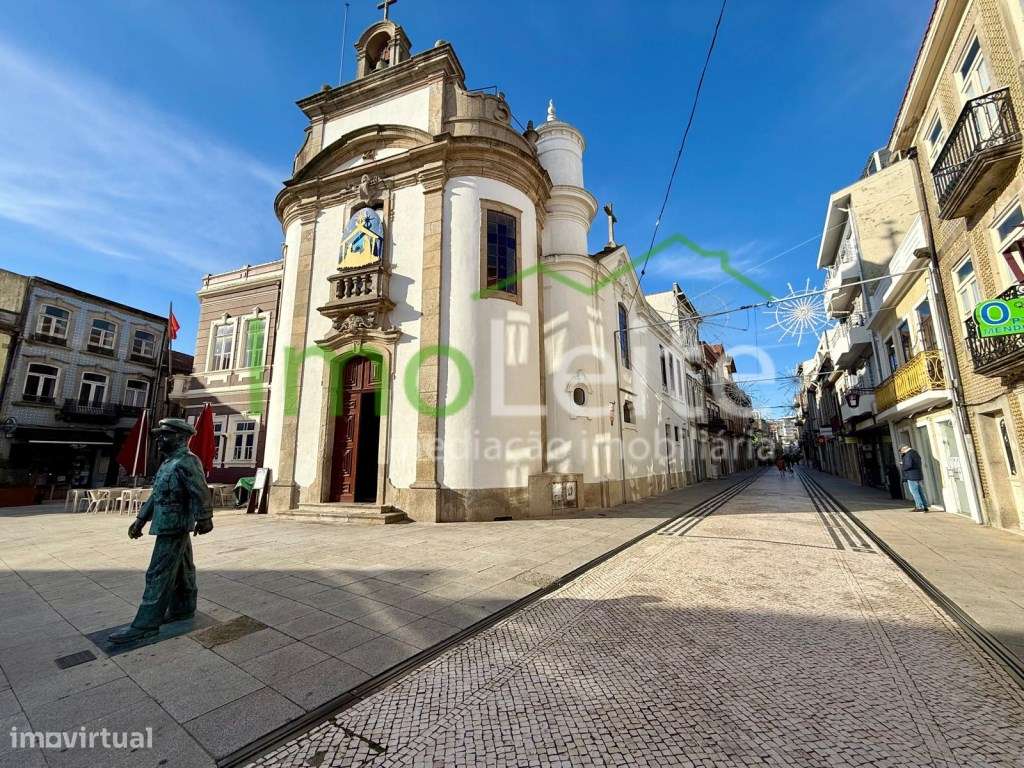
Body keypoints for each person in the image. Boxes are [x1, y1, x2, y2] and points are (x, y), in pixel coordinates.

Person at [109, 418, 214, 644]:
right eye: (159, 435)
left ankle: (145, 624)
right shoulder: (168, 463)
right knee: (184, 568)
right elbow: (156, 495)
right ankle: (184, 608)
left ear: (181, 438)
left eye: (165, 435)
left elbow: (200, 490)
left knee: (158, 573)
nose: (159, 439)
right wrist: (140, 520)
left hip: (175, 524)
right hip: (167, 522)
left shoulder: (187, 461)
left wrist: (205, 517)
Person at [899, 443, 929, 512]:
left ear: (904, 448)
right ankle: (925, 506)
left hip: (912, 476)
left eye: (901, 451)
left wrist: (903, 466)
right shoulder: (915, 453)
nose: (901, 452)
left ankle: (919, 506)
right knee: (919, 491)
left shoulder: (908, 454)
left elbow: (908, 465)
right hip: (917, 475)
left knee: (914, 492)